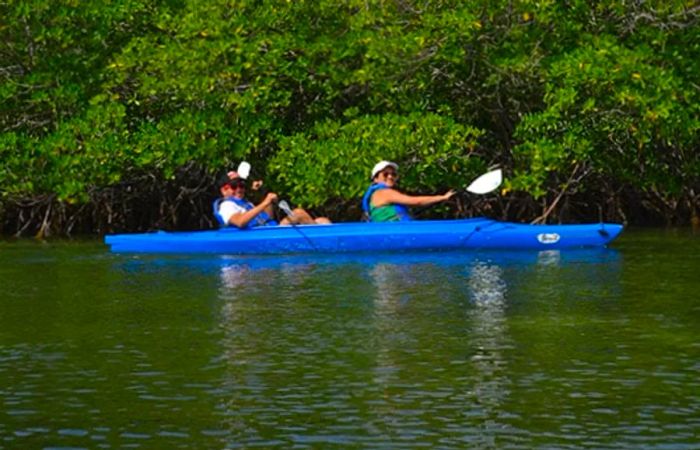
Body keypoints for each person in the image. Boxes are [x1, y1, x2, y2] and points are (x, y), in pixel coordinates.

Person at [214, 171, 330, 229]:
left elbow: (268, 217)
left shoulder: (246, 203)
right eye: (234, 186)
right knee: (298, 213)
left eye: (242, 185)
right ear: (224, 190)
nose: (239, 189)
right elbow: (240, 222)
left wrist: (264, 195)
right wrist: (265, 202)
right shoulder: (227, 206)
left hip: (270, 230)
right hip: (259, 235)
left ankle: (332, 238)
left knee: (322, 220)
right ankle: (325, 242)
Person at [361, 160, 456, 222]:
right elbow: (417, 201)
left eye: (393, 174)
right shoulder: (384, 193)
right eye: (385, 174)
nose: (390, 177)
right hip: (395, 231)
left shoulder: (376, 194)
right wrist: (442, 197)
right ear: (376, 179)